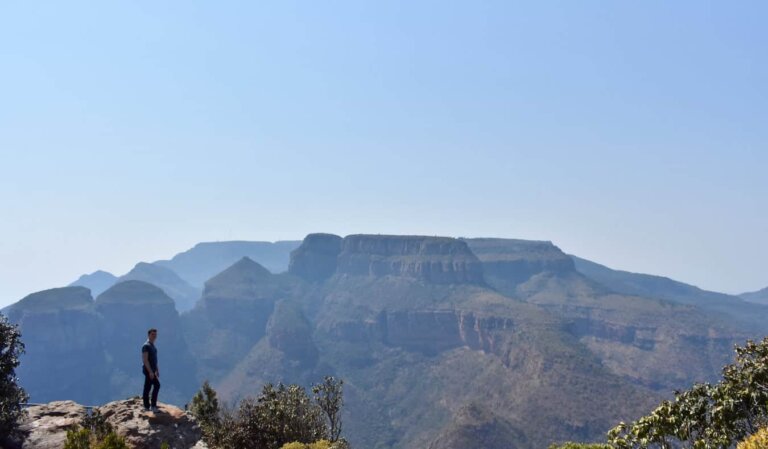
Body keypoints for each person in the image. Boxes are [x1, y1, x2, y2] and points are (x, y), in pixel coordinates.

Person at [141, 328, 160, 412]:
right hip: (148, 370)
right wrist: (150, 372)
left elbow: (154, 359)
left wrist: (157, 370)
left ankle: (146, 406)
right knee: (157, 385)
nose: (154, 336)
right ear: (148, 335)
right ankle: (152, 406)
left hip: (152, 370)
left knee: (147, 387)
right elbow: (145, 360)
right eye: (152, 334)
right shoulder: (146, 346)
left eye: (155, 335)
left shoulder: (153, 346)